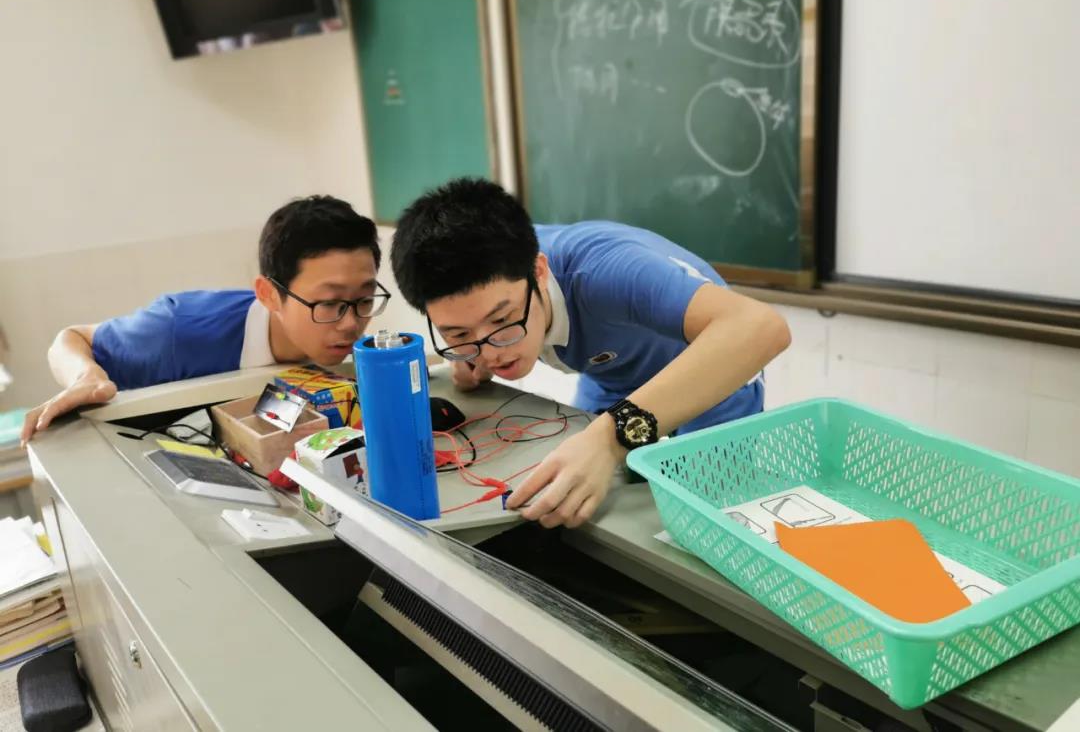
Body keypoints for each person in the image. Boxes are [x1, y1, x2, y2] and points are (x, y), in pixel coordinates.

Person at [390, 178, 791, 529]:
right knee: (576, 494)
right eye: (458, 332)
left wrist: (610, 438)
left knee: (702, 522)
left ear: (539, 272)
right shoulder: (486, 276)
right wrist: (466, 353)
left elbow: (760, 328)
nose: (491, 350)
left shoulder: (607, 271)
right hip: (613, 374)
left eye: (502, 320)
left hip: (711, 373)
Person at [21, 195, 388, 443]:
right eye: (329, 303)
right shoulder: (178, 330)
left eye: (364, 299)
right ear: (268, 294)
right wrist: (86, 377)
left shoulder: (360, 358)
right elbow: (72, 338)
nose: (350, 324)